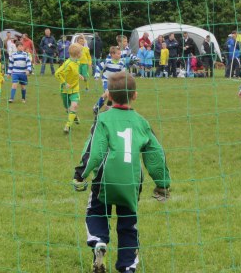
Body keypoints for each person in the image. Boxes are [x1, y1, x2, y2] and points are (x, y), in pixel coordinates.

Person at [72, 71, 171, 273]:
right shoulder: (142, 123)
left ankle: (99, 241)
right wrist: (162, 183)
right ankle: (127, 266)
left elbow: (94, 151)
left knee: (96, 211)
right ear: (134, 95)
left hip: (105, 181)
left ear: (108, 95)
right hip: (131, 183)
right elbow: (155, 156)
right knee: (128, 224)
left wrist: (80, 174)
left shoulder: (103, 119)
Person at [54, 43, 84, 133]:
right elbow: (57, 73)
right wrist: (64, 83)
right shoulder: (67, 63)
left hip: (75, 89)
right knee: (68, 109)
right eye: (81, 52)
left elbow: (74, 71)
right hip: (65, 90)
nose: (82, 53)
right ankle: (74, 116)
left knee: (74, 106)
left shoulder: (77, 62)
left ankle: (67, 126)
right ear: (77, 54)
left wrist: (79, 75)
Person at [93, 46, 126, 114]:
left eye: (120, 54)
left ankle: (104, 107)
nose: (120, 55)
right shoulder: (107, 62)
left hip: (115, 82)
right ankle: (99, 106)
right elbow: (98, 67)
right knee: (108, 92)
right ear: (112, 54)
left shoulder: (121, 63)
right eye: (118, 54)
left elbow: (123, 73)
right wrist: (97, 75)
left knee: (109, 94)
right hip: (106, 80)